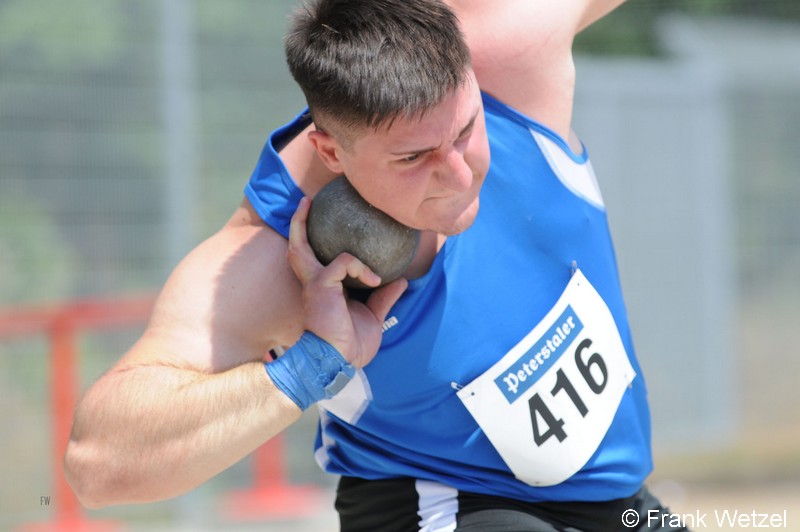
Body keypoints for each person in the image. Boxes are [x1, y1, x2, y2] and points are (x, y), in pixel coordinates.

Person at [65, 0, 687, 530]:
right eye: (414, 157)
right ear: (330, 150)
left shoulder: (509, 53)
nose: (458, 173)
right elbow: (97, 465)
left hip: (617, 500)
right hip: (446, 505)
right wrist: (312, 366)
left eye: (466, 130)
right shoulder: (274, 259)